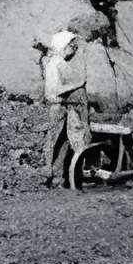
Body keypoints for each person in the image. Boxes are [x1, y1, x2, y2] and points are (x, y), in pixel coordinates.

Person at [41, 27, 92, 187]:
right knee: (55, 142)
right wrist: (78, 84)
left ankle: (57, 178)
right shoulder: (56, 63)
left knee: (61, 142)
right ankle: (51, 175)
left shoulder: (55, 61)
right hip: (57, 106)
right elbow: (54, 90)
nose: (73, 49)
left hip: (60, 106)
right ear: (63, 46)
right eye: (71, 46)